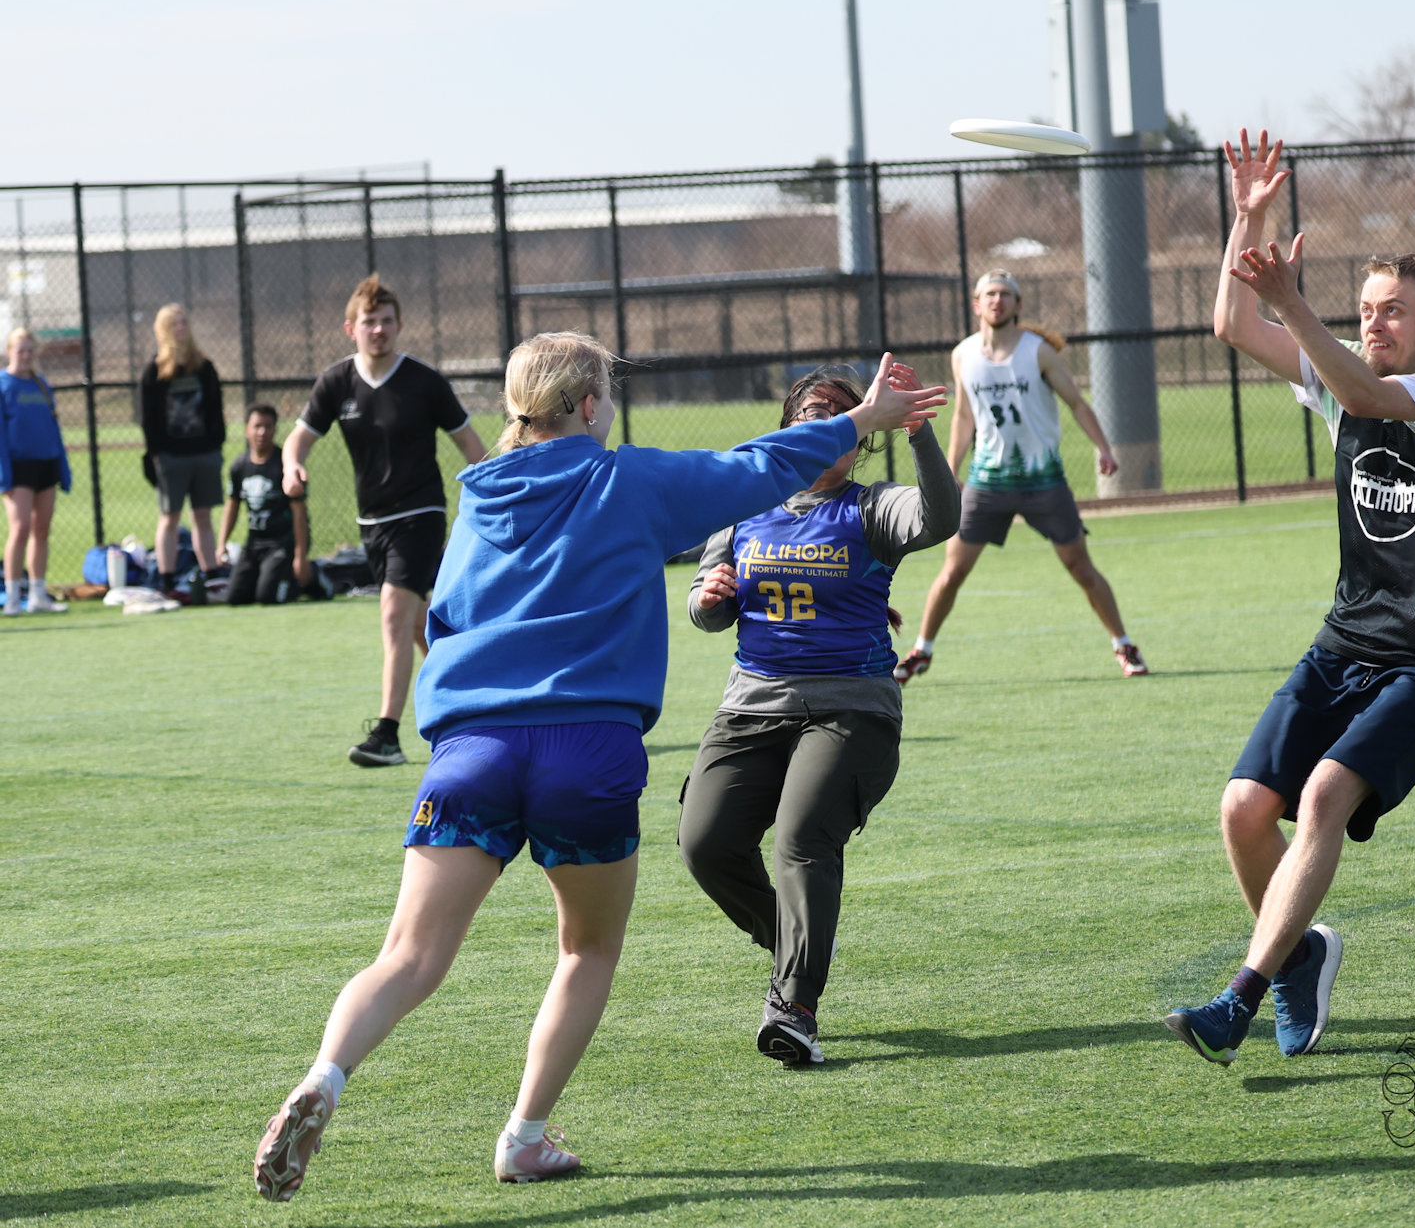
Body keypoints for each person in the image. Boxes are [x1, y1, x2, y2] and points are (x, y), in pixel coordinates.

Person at [252, 332, 944, 1201]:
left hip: (472, 752)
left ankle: (326, 1074)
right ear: (587, 406)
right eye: (607, 395)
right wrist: (862, 419)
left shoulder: (480, 494)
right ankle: (523, 1136)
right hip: (587, 750)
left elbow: (441, 623)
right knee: (586, 948)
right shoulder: (627, 479)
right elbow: (758, 467)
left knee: (408, 956)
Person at [1164, 129, 1415, 1066]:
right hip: (1344, 642)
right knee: (1242, 808)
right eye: (1366, 309)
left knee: (1321, 794)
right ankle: (1302, 955)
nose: (1375, 323)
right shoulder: (1343, 364)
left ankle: (1240, 996)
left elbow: (1366, 395)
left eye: (1394, 311)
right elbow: (1233, 326)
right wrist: (1248, 220)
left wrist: (1299, 307)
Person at [678, 365, 959, 1066]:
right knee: (705, 843)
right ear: (788, 430)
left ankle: (794, 1006)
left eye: (844, 412)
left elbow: (941, 518)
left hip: (850, 710)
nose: (828, 420)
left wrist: (918, 434)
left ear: (861, 436)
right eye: (813, 411)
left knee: (801, 837)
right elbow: (705, 606)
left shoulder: (871, 506)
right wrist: (710, 599)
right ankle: (797, 943)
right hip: (752, 706)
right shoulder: (746, 504)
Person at [893, 269, 1147, 684]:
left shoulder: (1038, 352)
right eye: (990, 294)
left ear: (1018, 304)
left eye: (1005, 294)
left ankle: (1124, 645)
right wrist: (951, 469)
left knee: (1081, 567)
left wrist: (1103, 447)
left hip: (1043, 481)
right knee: (953, 571)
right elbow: (964, 416)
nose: (997, 300)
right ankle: (922, 649)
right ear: (977, 304)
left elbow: (1076, 402)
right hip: (987, 482)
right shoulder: (963, 354)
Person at [281, 274, 486, 768]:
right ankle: (479, 702)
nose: (379, 330)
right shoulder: (337, 382)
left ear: (399, 326)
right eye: (369, 321)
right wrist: (291, 466)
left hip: (421, 515)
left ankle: (387, 735)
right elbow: (298, 440)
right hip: (372, 523)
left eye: (387, 321)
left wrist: (492, 498)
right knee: (419, 626)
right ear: (350, 328)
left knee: (393, 615)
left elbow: (471, 446)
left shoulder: (424, 381)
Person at [139, 303, 226, 602]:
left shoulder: (204, 367)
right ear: (163, 330)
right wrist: (157, 453)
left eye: (183, 322)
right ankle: (167, 580)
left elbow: (216, 410)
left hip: (203, 454)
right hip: (171, 457)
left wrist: (215, 446)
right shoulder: (154, 371)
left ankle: (212, 576)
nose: (180, 328)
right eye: (173, 324)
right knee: (170, 518)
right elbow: (148, 418)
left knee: (203, 516)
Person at [218, 403, 323, 605]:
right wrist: (222, 544)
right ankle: (273, 577)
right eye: (257, 426)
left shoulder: (285, 465)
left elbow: (300, 514)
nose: (262, 432)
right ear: (247, 430)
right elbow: (232, 506)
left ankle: (312, 579)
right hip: (255, 542)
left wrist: (300, 556)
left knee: (267, 597)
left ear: (275, 429)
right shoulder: (239, 466)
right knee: (235, 598)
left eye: (268, 426)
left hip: (282, 542)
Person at [1, 328, 73, 615]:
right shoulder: (4, 385)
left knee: (41, 530)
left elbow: (53, 429)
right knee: (20, 529)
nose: (26, 355)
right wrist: (4, 475)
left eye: (30, 350)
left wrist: (62, 468)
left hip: (46, 464)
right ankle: (13, 597)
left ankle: (38, 595)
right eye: (21, 350)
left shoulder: (41, 384)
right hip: (17, 467)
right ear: (10, 352)